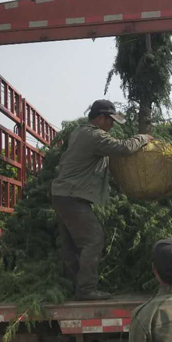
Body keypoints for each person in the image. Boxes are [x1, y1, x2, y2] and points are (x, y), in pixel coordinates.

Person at [51, 99, 152, 301]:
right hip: (71, 197)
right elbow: (124, 149)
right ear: (99, 118)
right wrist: (142, 138)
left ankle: (74, 286)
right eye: (110, 120)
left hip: (63, 195)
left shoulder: (80, 132)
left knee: (72, 245)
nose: (112, 125)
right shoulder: (94, 135)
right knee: (93, 238)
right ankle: (86, 290)